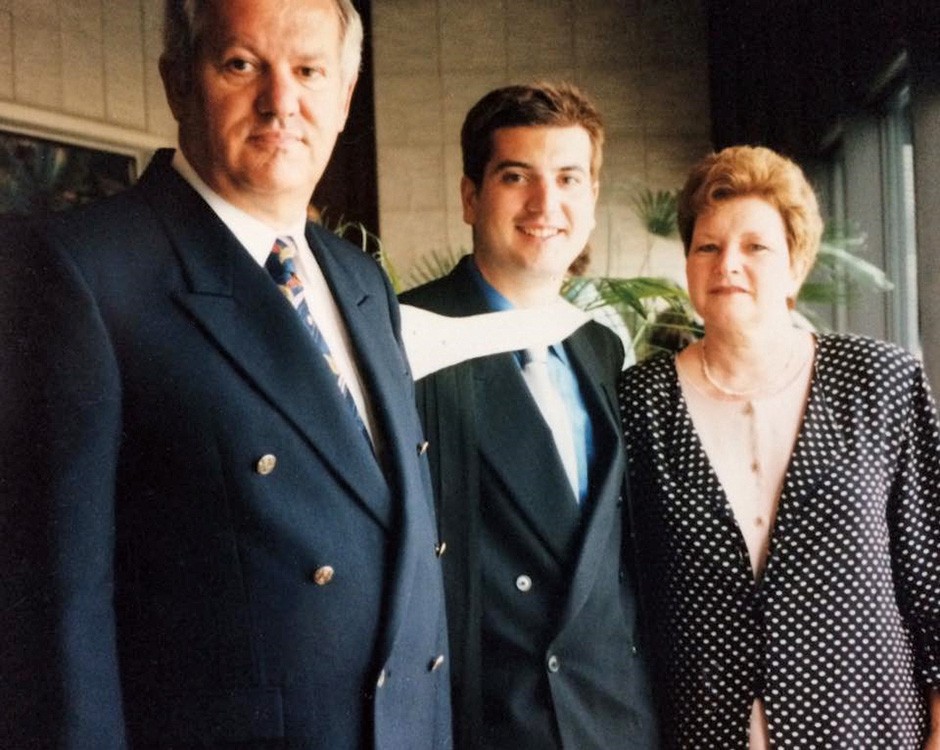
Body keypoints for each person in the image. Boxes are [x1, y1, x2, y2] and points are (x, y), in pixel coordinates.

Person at [0, 0, 454, 747]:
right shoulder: (79, 270)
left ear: (343, 98)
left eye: (310, 71)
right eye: (242, 65)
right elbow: (57, 609)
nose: (282, 102)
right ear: (178, 81)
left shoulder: (362, 281)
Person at [619, 144, 940, 749]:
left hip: (866, 730)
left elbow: (934, 574)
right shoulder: (641, 400)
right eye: (707, 246)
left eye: (755, 247)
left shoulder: (880, 380)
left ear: (796, 265)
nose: (727, 265)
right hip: (701, 733)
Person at [400, 82, 660, 749]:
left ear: (592, 200)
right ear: (470, 196)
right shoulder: (404, 338)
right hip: (489, 722)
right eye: (517, 177)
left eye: (569, 179)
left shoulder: (601, 345)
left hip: (611, 721)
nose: (547, 205)